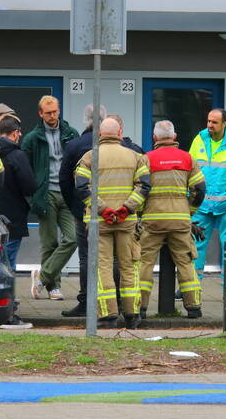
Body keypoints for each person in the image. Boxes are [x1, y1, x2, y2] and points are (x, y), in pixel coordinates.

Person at [74, 117, 151, 329]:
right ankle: (132, 315)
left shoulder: (89, 157)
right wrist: (126, 209)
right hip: (127, 222)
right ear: (119, 133)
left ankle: (108, 316)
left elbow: (81, 187)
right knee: (129, 267)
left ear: (99, 134)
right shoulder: (136, 157)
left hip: (100, 222)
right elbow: (144, 186)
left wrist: (103, 209)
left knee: (103, 268)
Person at [138, 120, 206, 319]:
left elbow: (140, 190)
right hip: (180, 220)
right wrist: (188, 211)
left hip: (153, 220)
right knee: (185, 262)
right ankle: (193, 308)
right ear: (174, 136)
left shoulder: (146, 159)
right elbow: (200, 190)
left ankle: (140, 308)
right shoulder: (187, 158)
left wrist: (141, 213)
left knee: (144, 262)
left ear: (155, 138)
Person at [21, 96, 80, 301]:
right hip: (46, 194)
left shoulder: (71, 134)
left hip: (67, 193)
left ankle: (43, 276)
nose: (52, 116)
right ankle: (54, 287)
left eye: (55, 111)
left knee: (72, 238)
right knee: (49, 242)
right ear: (41, 114)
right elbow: (25, 168)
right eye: (48, 113)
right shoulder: (32, 138)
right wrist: (33, 193)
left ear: (59, 110)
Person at [188, 108, 226, 278]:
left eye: (214, 122)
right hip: (201, 206)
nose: (210, 125)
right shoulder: (199, 140)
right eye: (208, 121)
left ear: (225, 124)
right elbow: (189, 169)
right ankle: (192, 286)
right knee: (196, 246)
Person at [58, 103, 106, 317]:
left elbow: (64, 180)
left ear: (85, 120)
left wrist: (74, 207)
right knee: (112, 256)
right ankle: (113, 302)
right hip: (113, 212)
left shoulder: (74, 146)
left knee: (86, 256)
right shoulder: (122, 146)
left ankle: (86, 302)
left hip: (83, 210)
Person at [0, 116, 36, 330]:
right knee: (9, 265)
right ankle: (8, 312)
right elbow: (29, 186)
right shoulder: (17, 155)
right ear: (15, 133)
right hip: (12, 217)